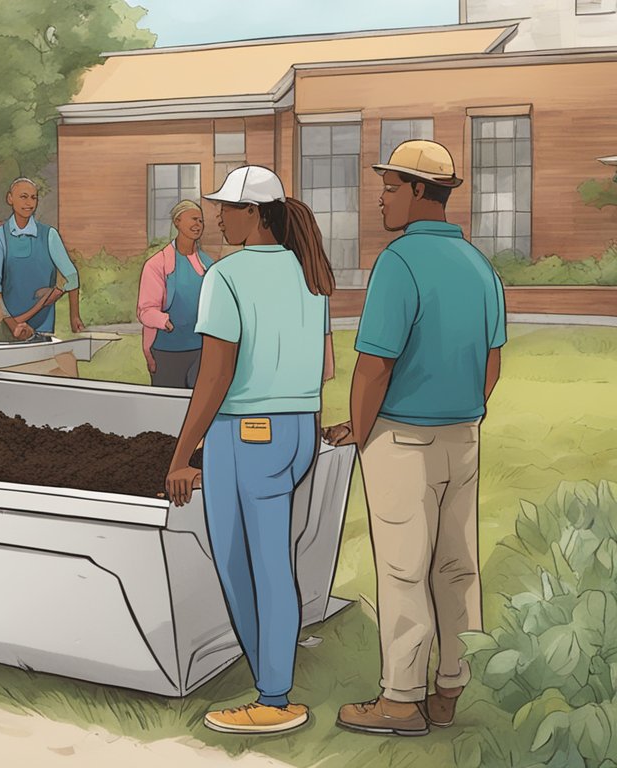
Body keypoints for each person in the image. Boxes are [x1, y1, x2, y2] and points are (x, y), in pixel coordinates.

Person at [326, 140, 506, 737]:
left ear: (420, 192)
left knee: (403, 569)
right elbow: (492, 363)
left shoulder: (398, 263)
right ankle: (450, 686)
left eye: (391, 186)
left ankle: (400, 701)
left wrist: (360, 427)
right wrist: (463, 409)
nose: (381, 198)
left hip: (402, 436)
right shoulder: (480, 265)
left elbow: (374, 364)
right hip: (465, 431)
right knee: (457, 565)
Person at [163, 165, 335, 735]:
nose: (216, 216)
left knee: (248, 567)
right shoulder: (310, 272)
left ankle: (274, 696)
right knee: (270, 560)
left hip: (245, 433)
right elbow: (327, 365)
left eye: (227, 208)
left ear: (255, 214)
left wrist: (183, 454)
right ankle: (272, 680)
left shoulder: (228, 276)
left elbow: (214, 376)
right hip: (298, 429)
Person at [0, 178, 85, 341]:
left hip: (42, 328)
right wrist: (14, 326)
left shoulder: (49, 235)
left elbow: (72, 277)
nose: (29, 203)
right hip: (10, 327)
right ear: (10, 199)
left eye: (33, 198)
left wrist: (72, 313)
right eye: (23, 197)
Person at [138, 200, 214, 387]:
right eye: (194, 219)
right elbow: (145, 310)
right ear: (177, 221)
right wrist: (165, 323)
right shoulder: (157, 264)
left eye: (201, 221)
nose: (198, 225)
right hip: (167, 352)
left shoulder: (208, 264)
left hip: (202, 352)